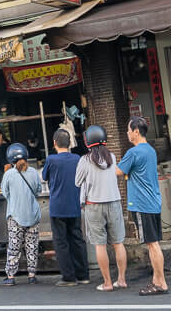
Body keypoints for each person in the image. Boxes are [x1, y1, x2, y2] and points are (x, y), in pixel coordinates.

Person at [117, 116, 168, 296]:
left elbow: (118, 171)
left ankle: (160, 282)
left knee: (152, 244)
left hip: (142, 204)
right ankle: (156, 280)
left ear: (136, 131)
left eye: (129, 130)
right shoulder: (150, 151)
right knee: (153, 243)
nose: (127, 133)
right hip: (153, 202)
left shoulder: (134, 152)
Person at [75, 124, 127, 292]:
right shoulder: (111, 156)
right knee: (118, 243)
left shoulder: (85, 160)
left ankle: (107, 283)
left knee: (100, 245)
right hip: (114, 203)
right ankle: (122, 279)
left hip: (94, 205)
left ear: (88, 141)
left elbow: (77, 182)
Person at [43, 128, 90, 286]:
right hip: (74, 204)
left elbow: (44, 176)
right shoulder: (77, 158)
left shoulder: (51, 160)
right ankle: (83, 275)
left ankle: (69, 277)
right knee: (77, 239)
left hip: (58, 207)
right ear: (70, 143)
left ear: (54, 143)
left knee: (61, 242)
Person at [0, 143, 41, 285]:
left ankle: (11, 277)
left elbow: (5, 193)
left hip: (15, 216)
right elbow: (38, 191)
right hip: (33, 215)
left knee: (14, 246)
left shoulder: (8, 174)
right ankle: (31, 275)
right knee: (32, 246)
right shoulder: (34, 172)